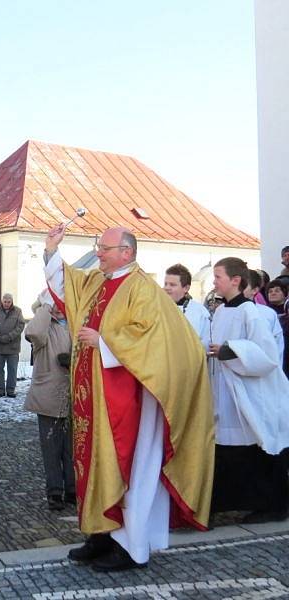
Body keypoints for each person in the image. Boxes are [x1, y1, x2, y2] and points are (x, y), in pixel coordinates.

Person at [43, 224, 214, 572]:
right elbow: (67, 285)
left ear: (127, 252)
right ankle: (101, 534)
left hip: (127, 401)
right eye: (98, 246)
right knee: (93, 464)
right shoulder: (98, 283)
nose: (99, 253)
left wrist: (105, 342)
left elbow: (156, 339)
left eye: (104, 248)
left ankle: (130, 547)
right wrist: (50, 251)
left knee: (128, 470)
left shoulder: (143, 289)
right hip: (96, 396)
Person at [208, 257, 289, 523]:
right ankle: (230, 502)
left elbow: (267, 356)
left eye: (218, 276)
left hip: (249, 392)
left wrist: (229, 349)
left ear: (236, 280)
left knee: (256, 448)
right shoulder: (220, 311)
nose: (214, 281)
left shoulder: (250, 312)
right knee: (230, 450)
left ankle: (272, 505)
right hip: (227, 390)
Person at [23, 292, 75, 512]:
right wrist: (45, 307)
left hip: (72, 394)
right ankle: (54, 491)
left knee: (71, 447)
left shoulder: (73, 322)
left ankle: (72, 488)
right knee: (51, 448)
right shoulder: (44, 324)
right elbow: (33, 332)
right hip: (48, 395)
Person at [163, 264, 210, 347]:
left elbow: (206, 343)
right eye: (165, 284)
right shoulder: (157, 308)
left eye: (172, 285)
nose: (167, 288)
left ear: (186, 288)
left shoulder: (200, 312)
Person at [0, 293, 25, 398]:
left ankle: (10, 390)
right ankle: (0, 390)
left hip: (12, 346)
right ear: (2, 301)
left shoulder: (18, 311)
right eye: (5, 301)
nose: (6, 304)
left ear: (12, 301)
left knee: (12, 370)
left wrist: (9, 336)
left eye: (8, 302)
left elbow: (20, 325)